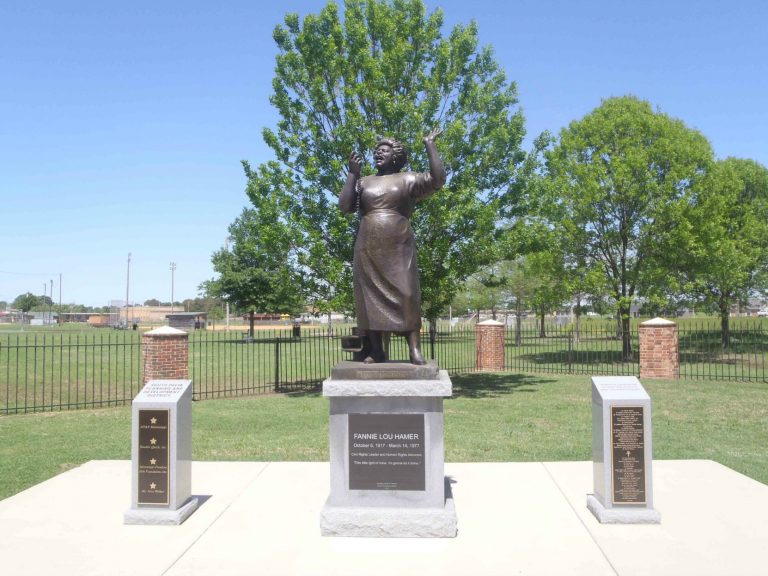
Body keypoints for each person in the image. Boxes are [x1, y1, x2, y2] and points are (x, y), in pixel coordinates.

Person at [339, 128, 446, 365]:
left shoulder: (407, 178)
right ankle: (376, 350)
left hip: (398, 245)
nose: (378, 153)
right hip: (368, 247)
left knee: (407, 293)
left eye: (384, 150)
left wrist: (430, 144)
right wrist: (352, 175)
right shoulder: (365, 181)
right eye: (376, 151)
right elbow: (345, 207)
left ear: (395, 156)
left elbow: (438, 180)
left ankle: (414, 349)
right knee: (370, 298)